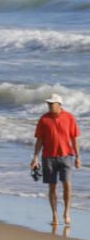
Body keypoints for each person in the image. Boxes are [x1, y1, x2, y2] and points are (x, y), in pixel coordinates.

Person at [31, 93, 81, 226]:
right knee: (52, 187)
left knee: (67, 185)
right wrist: (35, 158)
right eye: (48, 104)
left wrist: (78, 157)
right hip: (48, 157)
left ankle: (67, 213)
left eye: (52, 104)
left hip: (66, 156)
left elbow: (74, 138)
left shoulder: (69, 118)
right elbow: (39, 140)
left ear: (59, 105)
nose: (49, 106)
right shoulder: (44, 119)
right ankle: (55, 216)